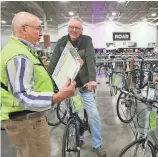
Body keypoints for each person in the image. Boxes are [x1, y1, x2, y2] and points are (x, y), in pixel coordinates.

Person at [0, 12, 77, 157]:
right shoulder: (19, 55)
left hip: (25, 119)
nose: (41, 33)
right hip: (26, 121)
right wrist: (56, 97)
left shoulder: (20, 50)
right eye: (37, 29)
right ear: (24, 29)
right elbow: (23, 96)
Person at [47, 17, 107, 157]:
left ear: (81, 30)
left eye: (77, 28)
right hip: (70, 87)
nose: (74, 30)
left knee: (93, 115)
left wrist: (92, 80)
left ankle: (97, 144)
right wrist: (48, 83)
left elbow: (91, 59)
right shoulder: (62, 41)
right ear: (68, 28)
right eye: (71, 27)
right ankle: (78, 138)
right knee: (75, 113)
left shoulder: (87, 40)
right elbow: (53, 63)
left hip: (85, 85)